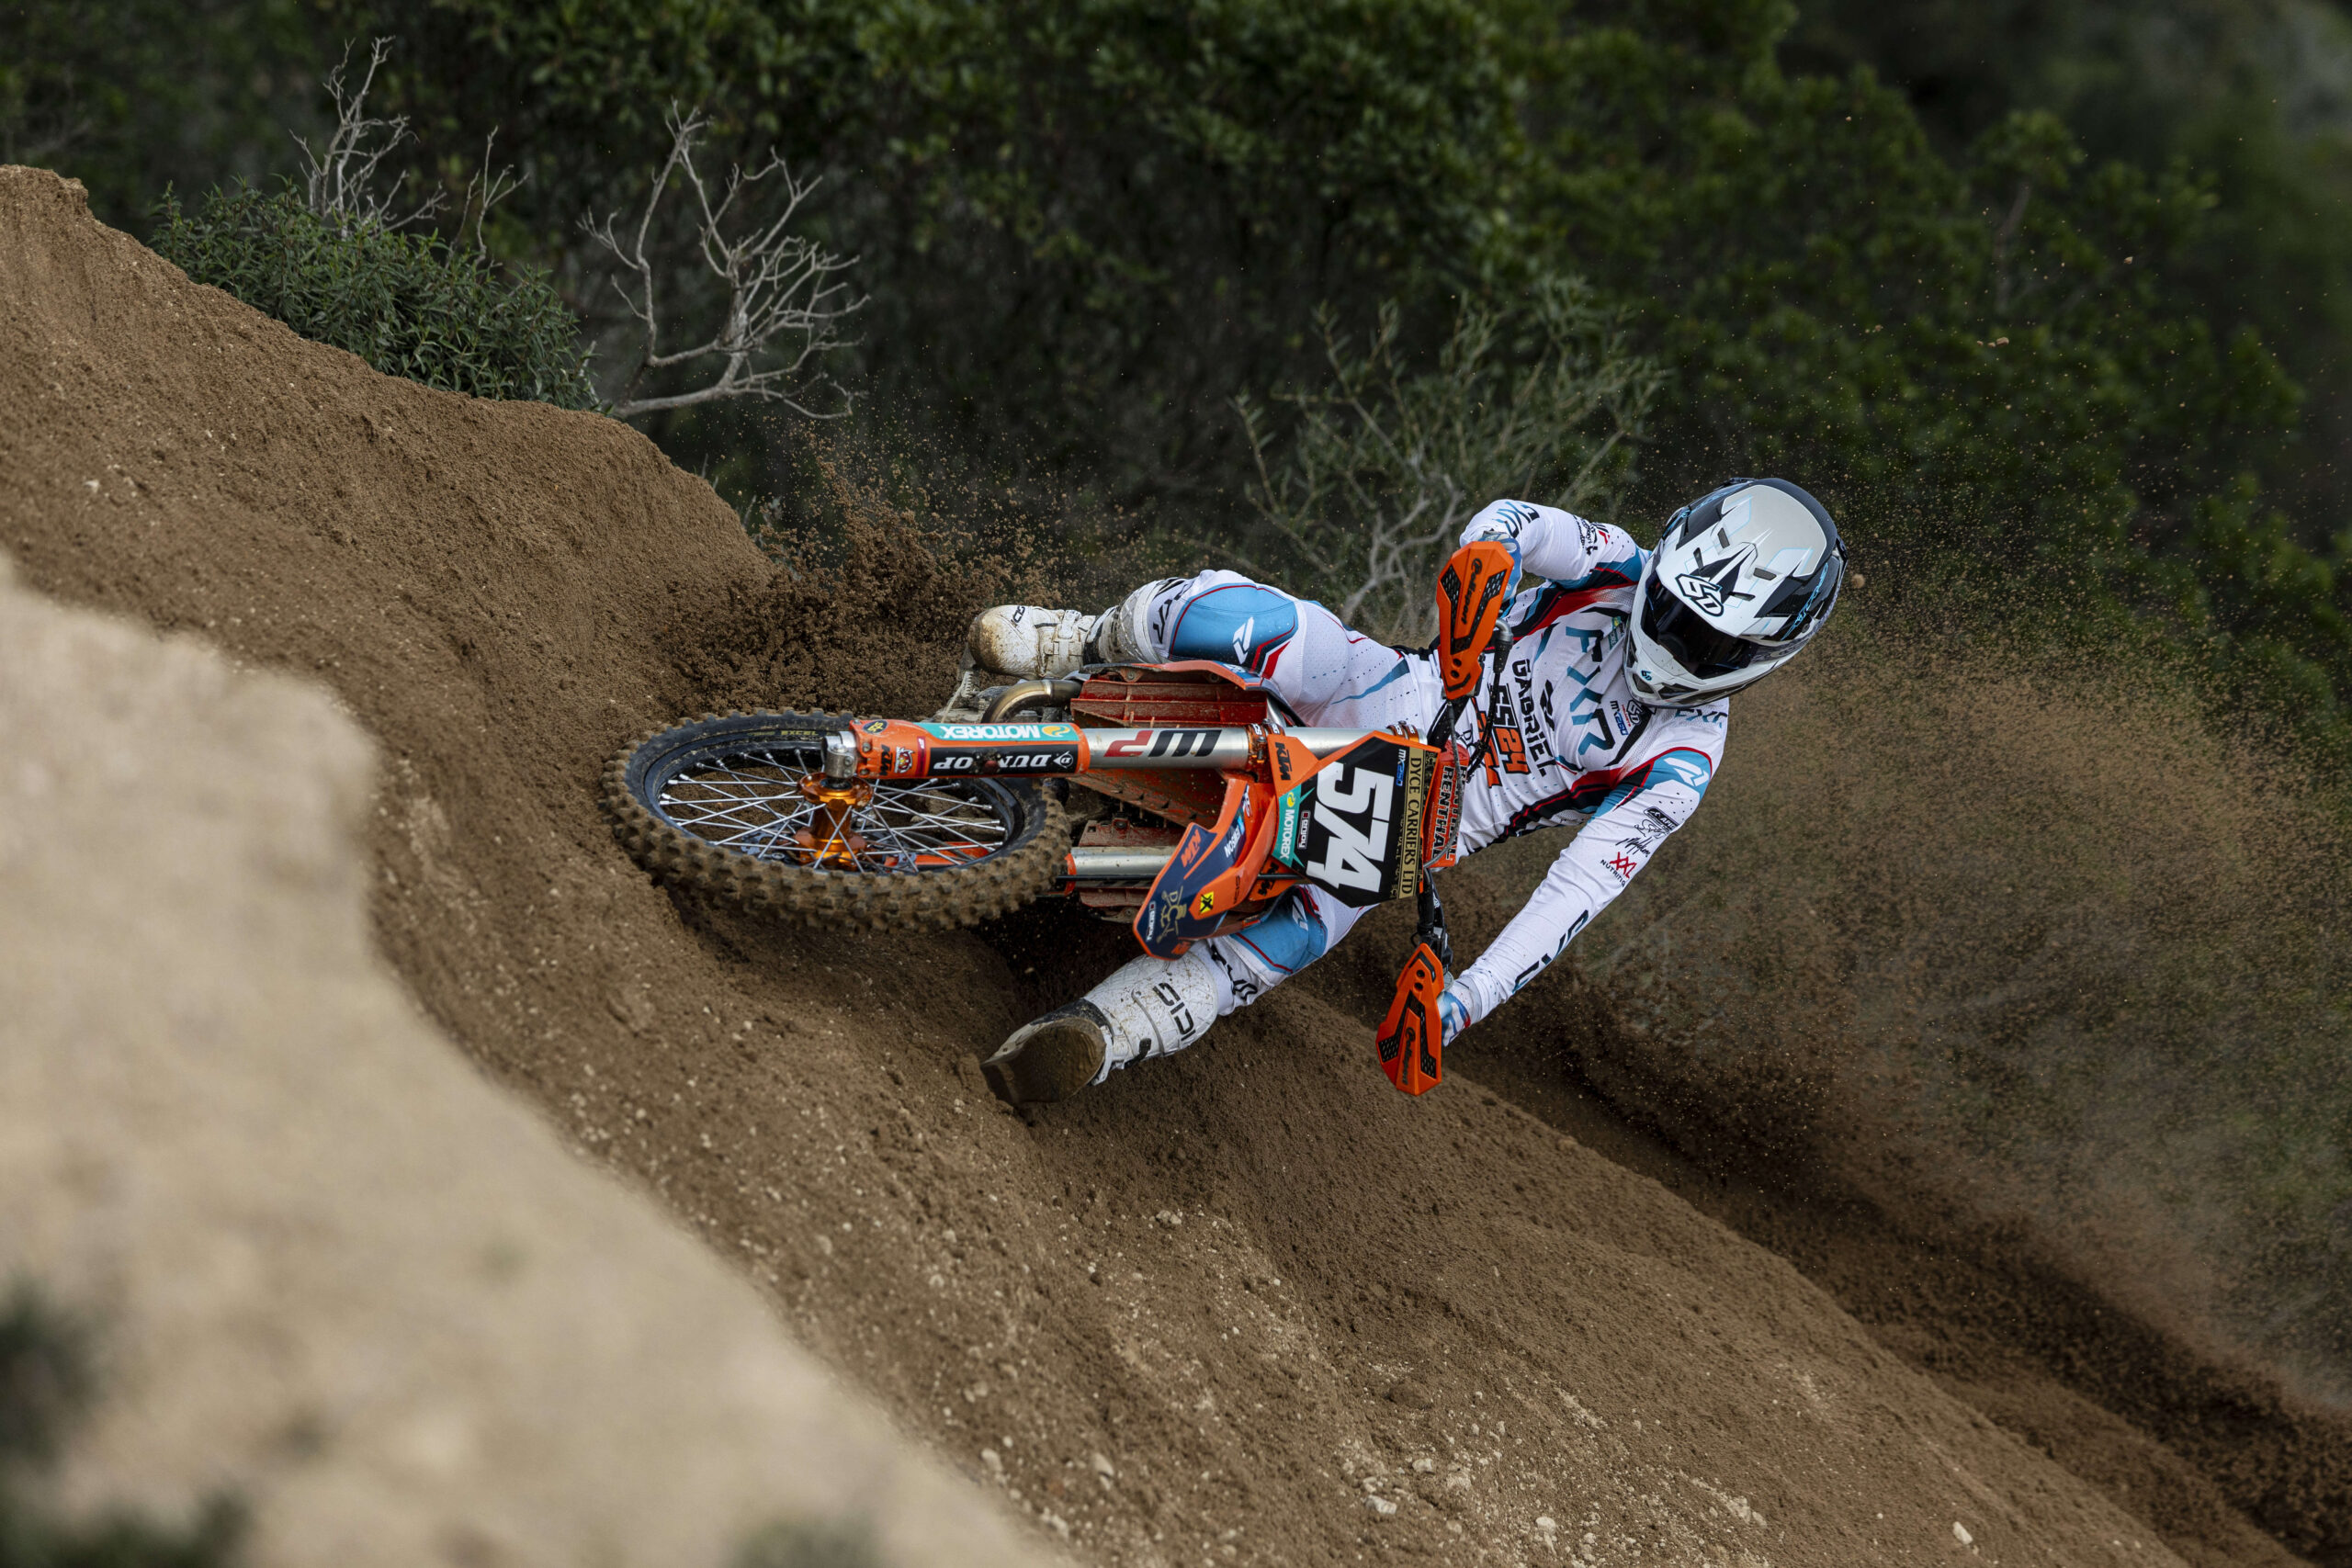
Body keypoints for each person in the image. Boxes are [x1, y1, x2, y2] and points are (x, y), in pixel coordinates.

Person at [971, 479, 1846, 1106]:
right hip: (1391, 690)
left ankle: (1096, 1036)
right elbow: (1514, 522)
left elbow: (1572, 897)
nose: (1678, 640)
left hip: (1412, 825)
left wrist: (1457, 1005)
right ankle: (1074, 641)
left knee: (1296, 931)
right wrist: (1486, 560)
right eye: (1675, 611)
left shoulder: (1682, 760)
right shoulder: (1616, 560)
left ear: (1766, 656)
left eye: (1709, 643)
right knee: (1247, 620)